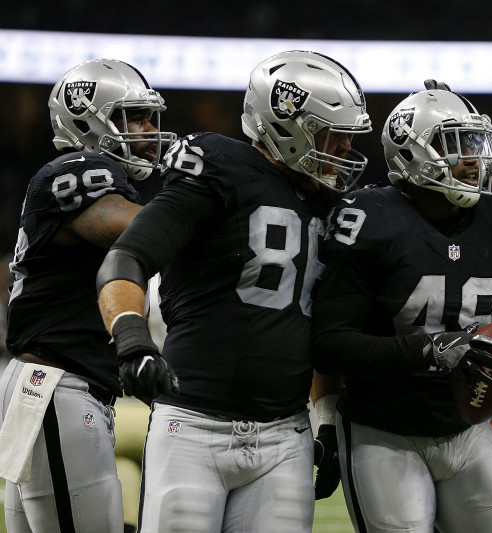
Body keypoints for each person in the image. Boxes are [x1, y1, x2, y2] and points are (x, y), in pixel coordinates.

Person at [95, 50, 372, 532]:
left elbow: (319, 329)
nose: (346, 148)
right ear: (288, 126)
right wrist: (132, 339)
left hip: (287, 435)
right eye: (334, 133)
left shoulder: (330, 206)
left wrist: (324, 416)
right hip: (193, 426)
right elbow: (126, 258)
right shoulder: (220, 167)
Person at [311, 86, 492, 533]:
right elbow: (328, 345)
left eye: (476, 143)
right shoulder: (369, 220)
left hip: (467, 429)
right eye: (456, 145)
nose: (474, 158)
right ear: (411, 150)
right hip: (384, 430)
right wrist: (429, 351)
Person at [0, 58, 175, 533]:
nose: (145, 129)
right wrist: (205, 206)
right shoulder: (79, 168)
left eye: (146, 117)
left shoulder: (87, 174)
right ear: (86, 119)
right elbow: (134, 228)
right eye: (132, 117)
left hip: (50, 384)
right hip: (56, 387)